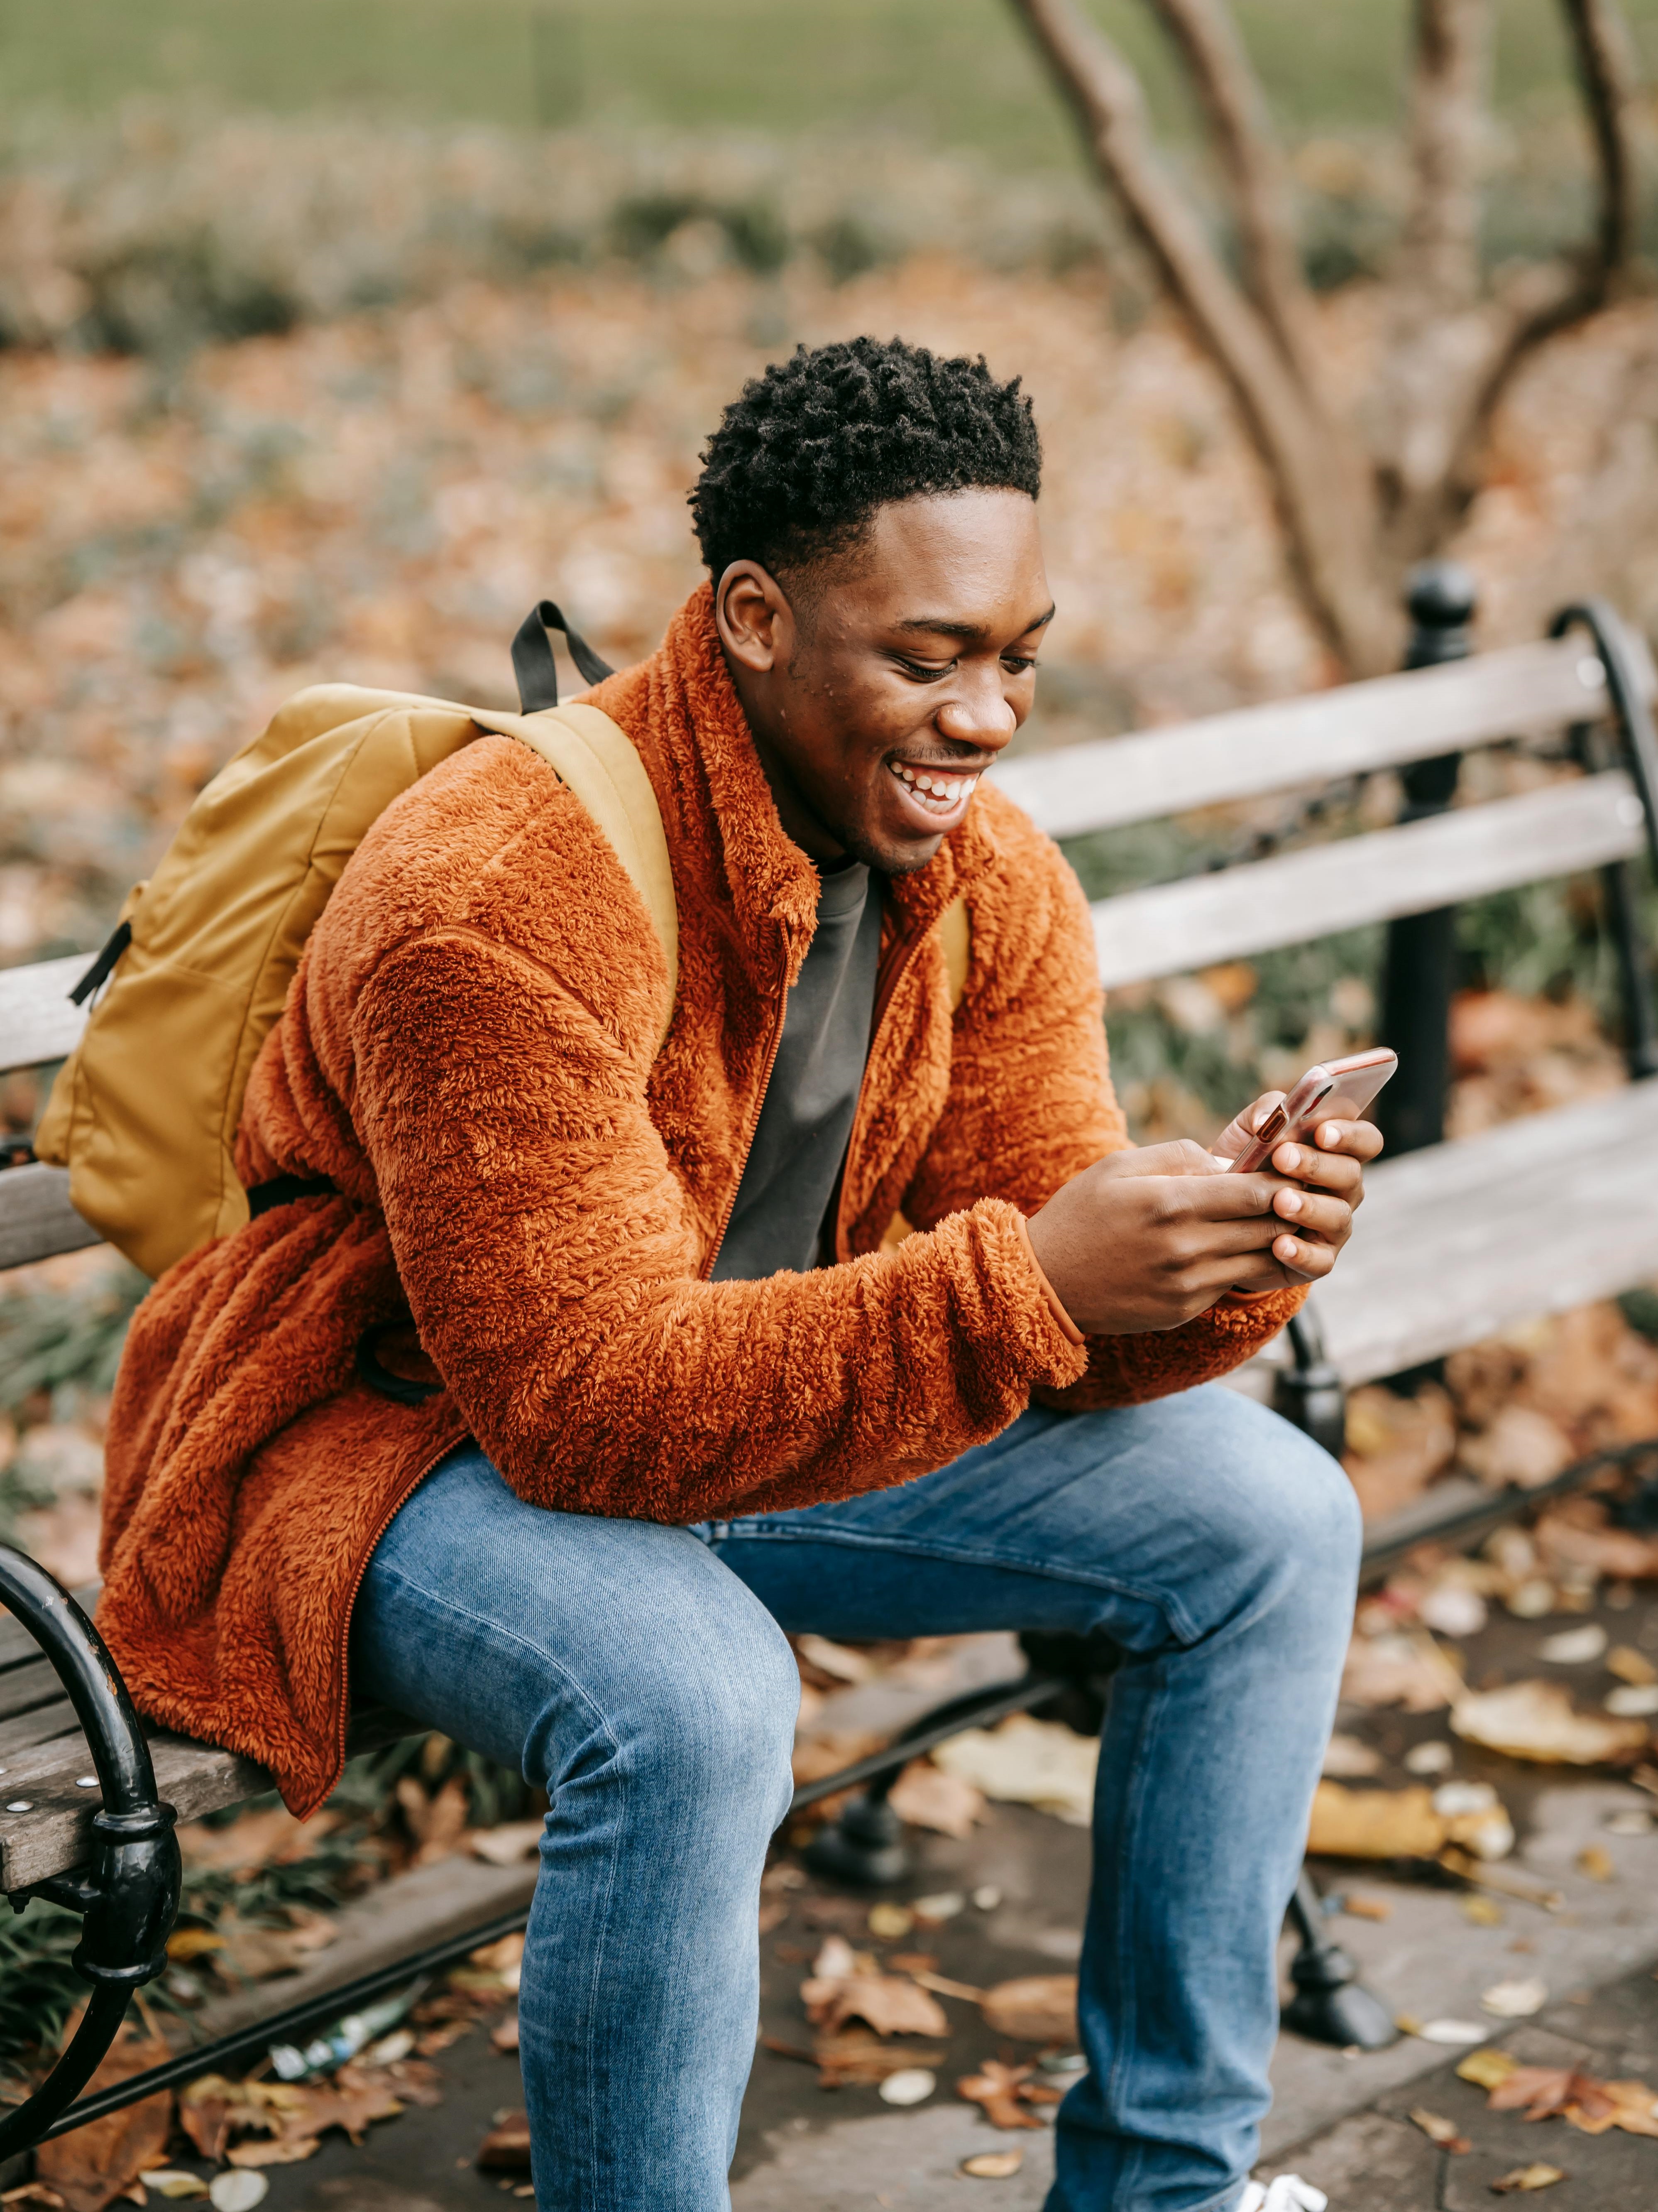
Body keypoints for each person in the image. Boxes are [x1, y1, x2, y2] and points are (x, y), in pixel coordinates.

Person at [99, 337, 1374, 2212]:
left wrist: (1212, 1256)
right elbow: (577, 1409)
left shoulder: (987, 876)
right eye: (925, 659)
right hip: (394, 1452)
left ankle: (1165, 2191)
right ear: (760, 618)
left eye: (1018, 655)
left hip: (755, 1409)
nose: (986, 716)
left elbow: (1040, 1261)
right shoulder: (495, 889)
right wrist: (1029, 1281)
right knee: (693, 1696)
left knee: (1271, 1516)